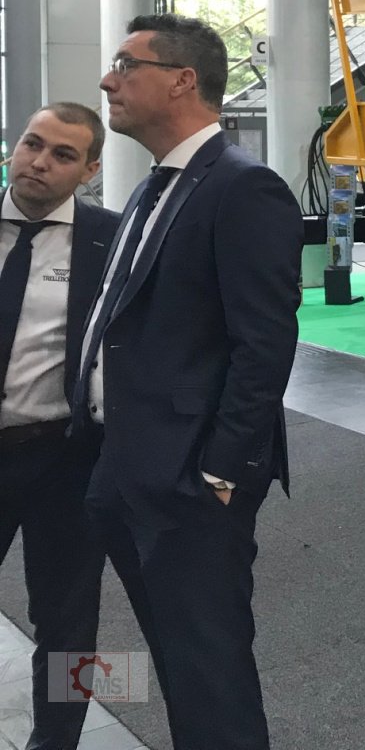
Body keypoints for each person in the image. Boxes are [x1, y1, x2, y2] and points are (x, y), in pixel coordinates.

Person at [73, 15, 301, 750]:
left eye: (125, 64)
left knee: (210, 672)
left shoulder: (244, 188)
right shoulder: (153, 188)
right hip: (128, 468)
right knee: (176, 663)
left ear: (182, 80)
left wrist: (221, 473)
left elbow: (263, 345)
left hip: (190, 488)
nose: (109, 79)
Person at [0, 104, 117, 750]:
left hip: (63, 460)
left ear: (90, 170)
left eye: (63, 155)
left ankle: (58, 743)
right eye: (32, 144)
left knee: (69, 624)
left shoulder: (111, 240)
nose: (39, 162)